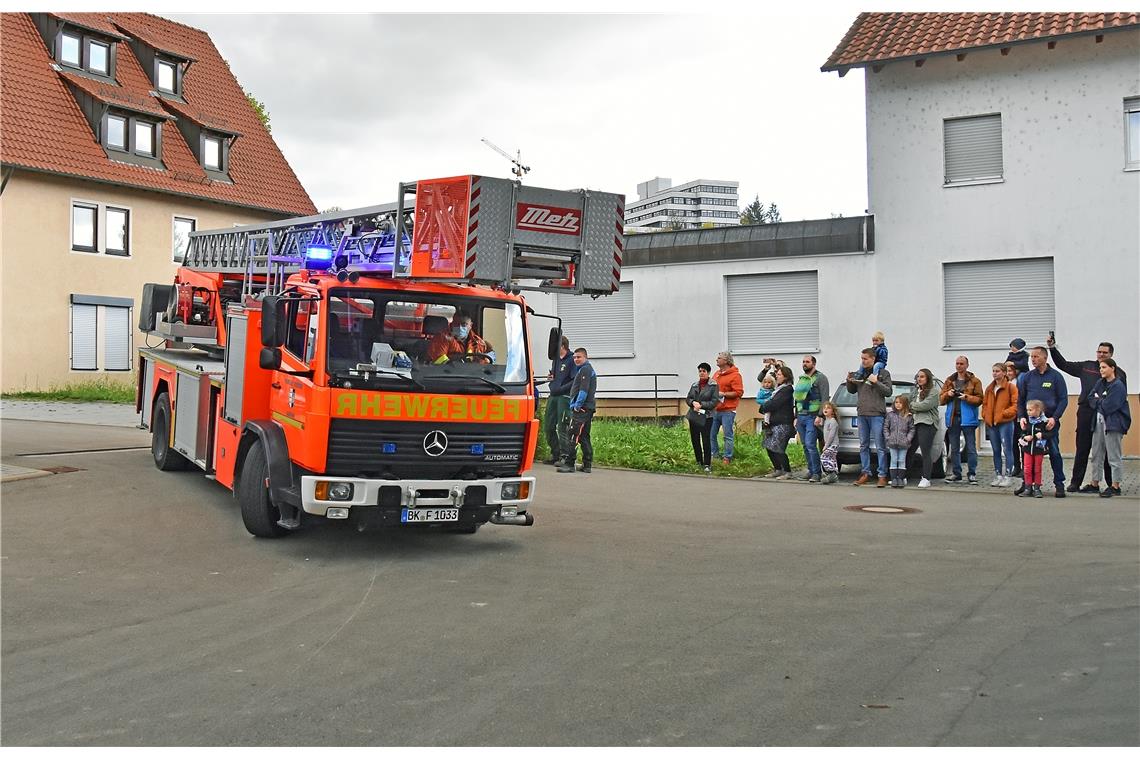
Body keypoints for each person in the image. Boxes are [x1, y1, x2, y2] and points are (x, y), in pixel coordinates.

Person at [1048, 337, 1129, 493]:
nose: (1101, 355)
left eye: (1105, 352)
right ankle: (1076, 483)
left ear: (1111, 354)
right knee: (1083, 448)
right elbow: (1063, 365)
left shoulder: (1119, 374)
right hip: (1086, 411)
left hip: (1108, 414)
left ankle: (1112, 484)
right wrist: (1052, 348)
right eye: (1099, 351)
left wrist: (1102, 404)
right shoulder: (1087, 367)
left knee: (1107, 450)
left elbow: (1118, 398)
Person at [1015, 346, 1069, 498]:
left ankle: (1059, 484)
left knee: (1054, 453)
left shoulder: (1056, 377)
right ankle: (1027, 484)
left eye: (1036, 356)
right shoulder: (1027, 377)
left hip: (1048, 423)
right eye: (1031, 357)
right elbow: (1020, 400)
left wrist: (1055, 417)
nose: (1033, 359)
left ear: (1045, 358)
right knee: (1027, 454)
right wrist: (1022, 416)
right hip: (1030, 424)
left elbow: (1063, 400)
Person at [846, 348, 893, 487]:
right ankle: (865, 473)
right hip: (862, 413)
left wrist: (875, 381)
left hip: (877, 414)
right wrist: (849, 380)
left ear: (873, 359)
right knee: (863, 446)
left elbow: (888, 391)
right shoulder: (860, 373)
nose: (863, 361)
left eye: (865, 359)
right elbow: (851, 390)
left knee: (880, 446)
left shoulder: (883, 373)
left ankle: (882, 475)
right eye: (861, 358)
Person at [1086, 358, 1130, 498]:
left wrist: (1099, 400)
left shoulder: (1118, 386)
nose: (1101, 370)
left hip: (1113, 424)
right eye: (1100, 368)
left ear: (1112, 368)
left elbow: (1109, 406)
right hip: (1098, 422)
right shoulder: (1100, 383)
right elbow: (1090, 398)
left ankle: (1115, 486)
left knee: (1113, 456)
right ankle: (1095, 483)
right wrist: (1100, 400)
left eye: (1104, 367)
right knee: (1096, 454)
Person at [940, 355, 983, 484]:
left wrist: (966, 397)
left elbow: (980, 399)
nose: (959, 366)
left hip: (968, 418)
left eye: (962, 364)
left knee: (970, 447)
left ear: (967, 365)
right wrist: (948, 394)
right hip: (953, 417)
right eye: (957, 363)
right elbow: (941, 399)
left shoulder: (975, 381)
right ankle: (956, 473)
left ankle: (972, 473)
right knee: (954, 448)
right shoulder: (949, 380)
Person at [558, 348, 597, 473]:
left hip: (582, 408)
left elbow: (583, 390)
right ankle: (587, 464)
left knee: (573, 434)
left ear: (585, 357)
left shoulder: (585, 369)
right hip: (587, 408)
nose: (576, 359)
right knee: (584, 435)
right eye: (574, 357)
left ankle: (569, 464)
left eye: (579, 357)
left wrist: (577, 405)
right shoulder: (585, 370)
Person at [793, 354, 830, 482]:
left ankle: (817, 473)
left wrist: (820, 415)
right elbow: (797, 399)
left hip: (812, 416)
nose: (804, 364)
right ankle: (810, 470)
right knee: (804, 445)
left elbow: (825, 398)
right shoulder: (802, 379)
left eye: (807, 362)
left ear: (813, 363)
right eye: (803, 362)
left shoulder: (821, 378)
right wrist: (796, 416)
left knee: (810, 444)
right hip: (801, 416)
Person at [982, 362, 1019, 487]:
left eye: (997, 371)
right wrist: (986, 416)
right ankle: (998, 475)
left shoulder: (1010, 387)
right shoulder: (989, 388)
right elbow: (985, 404)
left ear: (1004, 373)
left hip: (1005, 423)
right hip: (991, 424)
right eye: (993, 371)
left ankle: (1008, 476)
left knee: (1007, 449)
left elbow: (1015, 405)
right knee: (996, 450)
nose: (995, 373)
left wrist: (1004, 414)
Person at [543, 335, 576, 465]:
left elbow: (574, 380)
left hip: (564, 397)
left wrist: (561, 388)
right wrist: (551, 379)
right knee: (548, 426)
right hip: (553, 395)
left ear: (562, 346)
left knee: (563, 426)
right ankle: (555, 453)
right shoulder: (556, 359)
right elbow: (555, 375)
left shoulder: (572, 360)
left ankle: (565, 455)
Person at [759, 365, 795, 478]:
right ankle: (778, 469)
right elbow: (769, 404)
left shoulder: (787, 389)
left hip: (783, 423)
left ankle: (787, 471)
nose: (777, 377)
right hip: (773, 423)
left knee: (778, 447)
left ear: (786, 377)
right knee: (769, 446)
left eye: (779, 375)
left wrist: (764, 406)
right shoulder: (777, 390)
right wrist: (765, 406)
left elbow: (774, 404)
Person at [686, 362, 721, 473]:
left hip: (707, 416)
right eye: (700, 371)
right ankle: (698, 461)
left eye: (704, 371)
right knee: (695, 439)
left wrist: (702, 405)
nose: (701, 373)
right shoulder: (694, 385)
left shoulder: (713, 385)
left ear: (708, 372)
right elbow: (688, 398)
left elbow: (714, 402)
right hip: (694, 415)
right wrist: (693, 403)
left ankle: (707, 463)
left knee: (706, 440)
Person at [710, 351, 744, 465]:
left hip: (728, 410)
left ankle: (727, 457)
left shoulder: (735, 375)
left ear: (726, 361)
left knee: (727, 435)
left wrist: (723, 394)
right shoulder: (716, 374)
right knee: (711, 433)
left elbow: (739, 392)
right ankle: (714, 455)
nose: (717, 360)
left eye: (719, 358)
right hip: (715, 409)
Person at [1018, 399, 1056, 498]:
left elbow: (1051, 433)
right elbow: (1022, 432)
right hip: (1027, 449)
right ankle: (1027, 487)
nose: (1028, 412)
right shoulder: (1027, 421)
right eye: (1027, 410)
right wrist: (1024, 437)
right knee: (1027, 469)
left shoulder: (1044, 422)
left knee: (1037, 469)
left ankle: (1037, 488)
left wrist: (1042, 434)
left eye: (1030, 410)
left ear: (1038, 410)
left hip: (1038, 449)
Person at [909, 369, 940, 488]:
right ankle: (904, 476)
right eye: (918, 377)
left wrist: (913, 406)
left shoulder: (933, 392)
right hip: (914, 422)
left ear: (927, 378)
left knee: (925, 451)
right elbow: (908, 402)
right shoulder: (915, 391)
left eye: (922, 376)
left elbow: (925, 406)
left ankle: (926, 478)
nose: (919, 379)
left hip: (927, 423)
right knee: (909, 449)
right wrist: (912, 406)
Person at [884, 394, 915, 488]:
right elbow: (886, 427)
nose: (898, 405)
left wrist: (908, 439)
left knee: (901, 460)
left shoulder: (908, 416)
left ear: (905, 404)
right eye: (896, 402)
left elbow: (912, 429)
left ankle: (900, 478)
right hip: (892, 442)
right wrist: (888, 437)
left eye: (900, 403)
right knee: (893, 460)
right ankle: (893, 478)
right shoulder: (890, 415)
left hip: (904, 443)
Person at [1004, 362, 1024, 478]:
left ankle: (1024, 468)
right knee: (1012, 444)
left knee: (1021, 442)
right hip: (1009, 417)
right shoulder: (1005, 383)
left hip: (1018, 416)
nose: (1009, 373)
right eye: (1007, 371)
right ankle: (1016, 466)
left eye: (1011, 371)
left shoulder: (1020, 382)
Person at [818, 401, 841, 484]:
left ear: (833, 411)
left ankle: (831, 473)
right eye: (824, 408)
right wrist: (819, 426)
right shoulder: (826, 421)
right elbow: (825, 432)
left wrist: (826, 446)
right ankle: (832, 474)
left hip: (833, 445)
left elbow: (831, 435)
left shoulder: (833, 421)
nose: (825, 409)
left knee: (824, 457)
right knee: (831, 459)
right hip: (829, 444)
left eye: (828, 408)